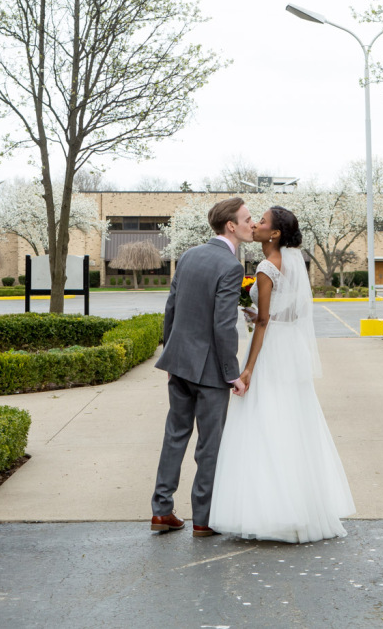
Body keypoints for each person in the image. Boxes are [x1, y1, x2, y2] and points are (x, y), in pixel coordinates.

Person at [209, 206, 355, 543]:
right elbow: (293, 311)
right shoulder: (292, 264)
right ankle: (300, 507)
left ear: (274, 234)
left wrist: (248, 368)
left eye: (262, 222)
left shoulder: (265, 267)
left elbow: (263, 321)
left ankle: (271, 510)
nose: (255, 225)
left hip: (270, 349)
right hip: (290, 349)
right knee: (293, 421)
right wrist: (262, 316)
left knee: (266, 420)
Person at [150, 197, 253, 537]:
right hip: (209, 372)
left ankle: (161, 511)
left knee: (174, 435)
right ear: (231, 226)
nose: (252, 224)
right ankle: (203, 519)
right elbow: (223, 325)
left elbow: (171, 307)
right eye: (247, 219)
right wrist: (232, 373)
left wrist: (169, 353)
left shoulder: (189, 256)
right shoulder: (230, 266)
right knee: (209, 445)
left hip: (179, 363)